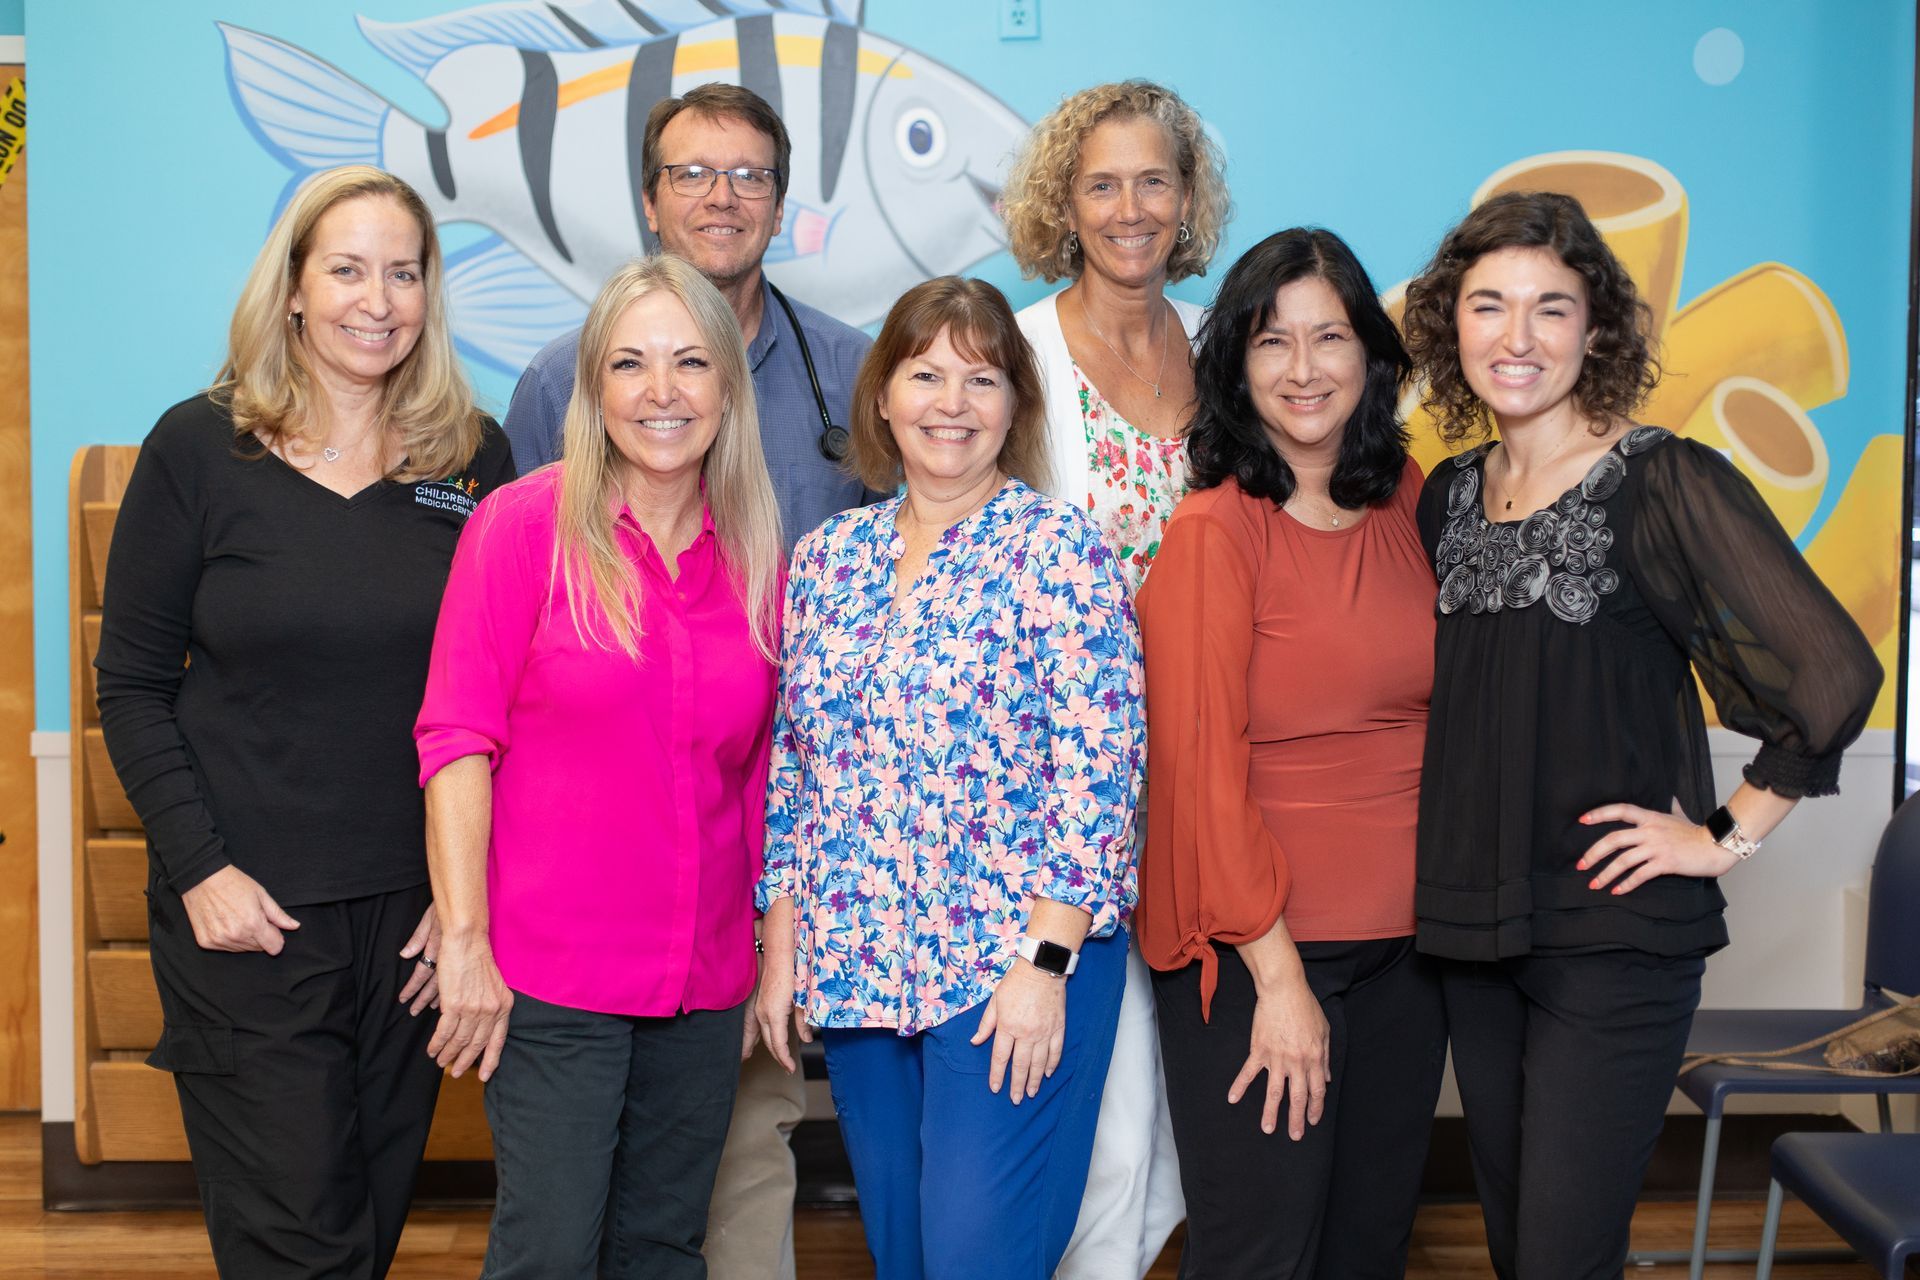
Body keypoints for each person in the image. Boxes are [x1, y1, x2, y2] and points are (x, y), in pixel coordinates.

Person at [1400, 191, 1882, 1279]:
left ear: (1597, 331)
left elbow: (1835, 670)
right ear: (1450, 325)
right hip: (1473, 934)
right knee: (1526, 1243)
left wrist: (1722, 836)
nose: (1516, 338)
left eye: (1551, 308)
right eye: (1488, 306)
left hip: (1614, 942)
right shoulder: (1450, 497)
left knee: (1564, 1255)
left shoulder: (1663, 480)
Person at [94, 165, 514, 1278]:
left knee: (364, 1234)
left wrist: (459, 902)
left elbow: (503, 699)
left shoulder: (473, 460)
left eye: (403, 272)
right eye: (346, 269)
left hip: (410, 930)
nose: (375, 299)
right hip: (251, 917)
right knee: (299, 1245)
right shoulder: (198, 448)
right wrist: (202, 871)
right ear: (291, 288)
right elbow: (130, 683)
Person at [501, 85, 871, 1277]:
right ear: (651, 197)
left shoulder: (853, 376)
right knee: (561, 1223)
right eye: (694, 173)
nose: (722, 197)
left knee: (735, 1179)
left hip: (755, 879)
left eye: (750, 174)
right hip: (572, 909)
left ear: (780, 198)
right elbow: (502, 675)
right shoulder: (554, 384)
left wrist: (786, 919)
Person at [753, 277, 1145, 1280]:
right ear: (882, 395)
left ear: (1016, 403)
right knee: (907, 1251)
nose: (952, 401)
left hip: (1011, 965)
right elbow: (797, 766)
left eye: (982, 377)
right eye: (925, 373)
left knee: (981, 1252)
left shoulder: (1058, 548)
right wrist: (784, 940)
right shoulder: (828, 558)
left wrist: (1044, 966)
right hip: (860, 966)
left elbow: (1101, 767)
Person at [416, 254, 784, 1279]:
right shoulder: (522, 527)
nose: (661, 392)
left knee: (664, 1250)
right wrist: (464, 941)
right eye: (630, 363)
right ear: (593, 388)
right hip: (551, 981)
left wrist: (767, 945)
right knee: (548, 1252)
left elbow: (756, 778)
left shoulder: (757, 557)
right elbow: (455, 741)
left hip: (703, 985)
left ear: (727, 387)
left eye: (689, 363)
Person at [1134, 228, 1445, 1279]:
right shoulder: (1215, 534)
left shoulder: (1416, 499)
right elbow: (1197, 779)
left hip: (1412, 955)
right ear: (1237, 364)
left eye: (1329, 338)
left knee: (1369, 1247)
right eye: (1273, 342)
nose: (1304, 369)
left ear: (1372, 357)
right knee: (1260, 1252)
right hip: (1260, 953)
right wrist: (1279, 978)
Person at [999, 78, 1229, 1279]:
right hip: (1063, 794)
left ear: (1185, 198)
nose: (1130, 207)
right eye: (1103, 183)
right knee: (1100, 1090)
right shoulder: (1020, 351)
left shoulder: (1222, 347)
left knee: (1182, 1085)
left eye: (1153, 180)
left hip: (1205, 773)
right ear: (1064, 200)